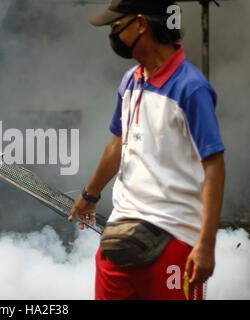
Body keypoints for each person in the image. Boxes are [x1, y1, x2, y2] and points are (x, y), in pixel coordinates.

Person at [69, 0, 226, 300]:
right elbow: (118, 143)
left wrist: (206, 244)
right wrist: (90, 195)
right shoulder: (131, 80)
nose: (113, 34)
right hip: (120, 234)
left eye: (117, 26)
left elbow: (214, 165)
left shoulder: (191, 88)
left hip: (175, 240)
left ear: (141, 24)